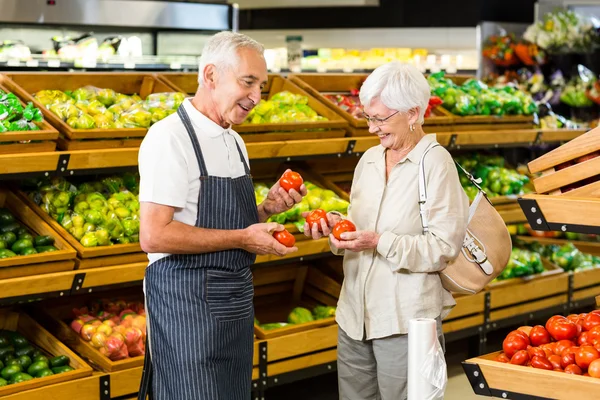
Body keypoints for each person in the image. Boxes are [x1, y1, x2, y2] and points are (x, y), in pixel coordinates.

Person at [137, 31, 306, 400]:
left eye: (262, 86)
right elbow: (154, 235)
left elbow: (215, 219)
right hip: (186, 307)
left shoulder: (234, 139)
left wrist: (264, 210)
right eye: (248, 82)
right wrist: (244, 238)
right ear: (210, 75)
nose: (257, 97)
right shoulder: (169, 138)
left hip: (234, 304)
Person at [304, 61, 469, 400]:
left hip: (404, 320)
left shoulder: (436, 165)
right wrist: (337, 229)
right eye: (368, 117)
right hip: (354, 315)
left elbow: (443, 247)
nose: (371, 128)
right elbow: (357, 225)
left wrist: (380, 242)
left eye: (380, 118)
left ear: (412, 113)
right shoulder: (368, 160)